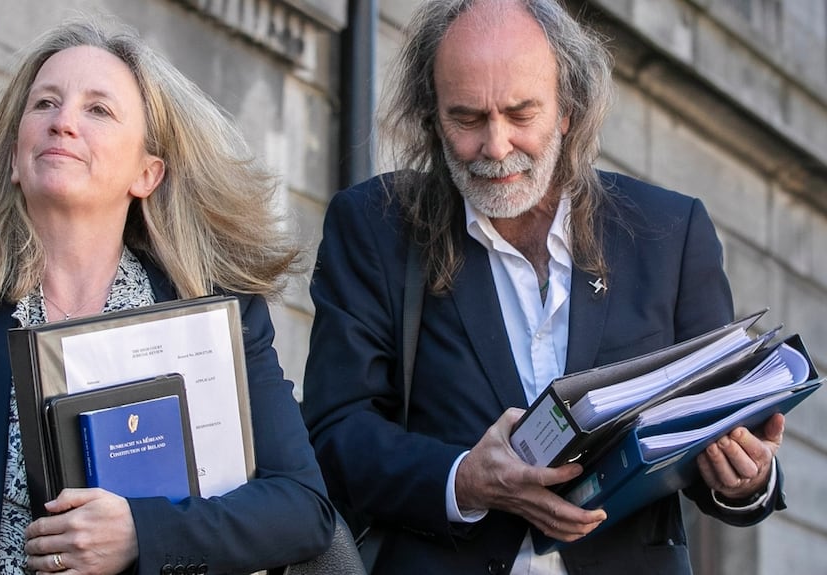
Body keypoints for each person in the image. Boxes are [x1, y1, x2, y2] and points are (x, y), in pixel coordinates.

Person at [301, 1, 787, 573]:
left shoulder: (670, 234)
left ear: (568, 110)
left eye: (520, 113)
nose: (497, 146)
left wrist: (746, 477)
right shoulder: (376, 226)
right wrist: (463, 480)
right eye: (467, 118)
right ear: (432, 116)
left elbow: (712, 438)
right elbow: (335, 434)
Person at [0, 16, 333, 575]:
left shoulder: (219, 318)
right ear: (14, 157)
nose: (63, 123)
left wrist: (142, 534)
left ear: (147, 173)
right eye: (44, 104)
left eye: (98, 110)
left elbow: (302, 510)